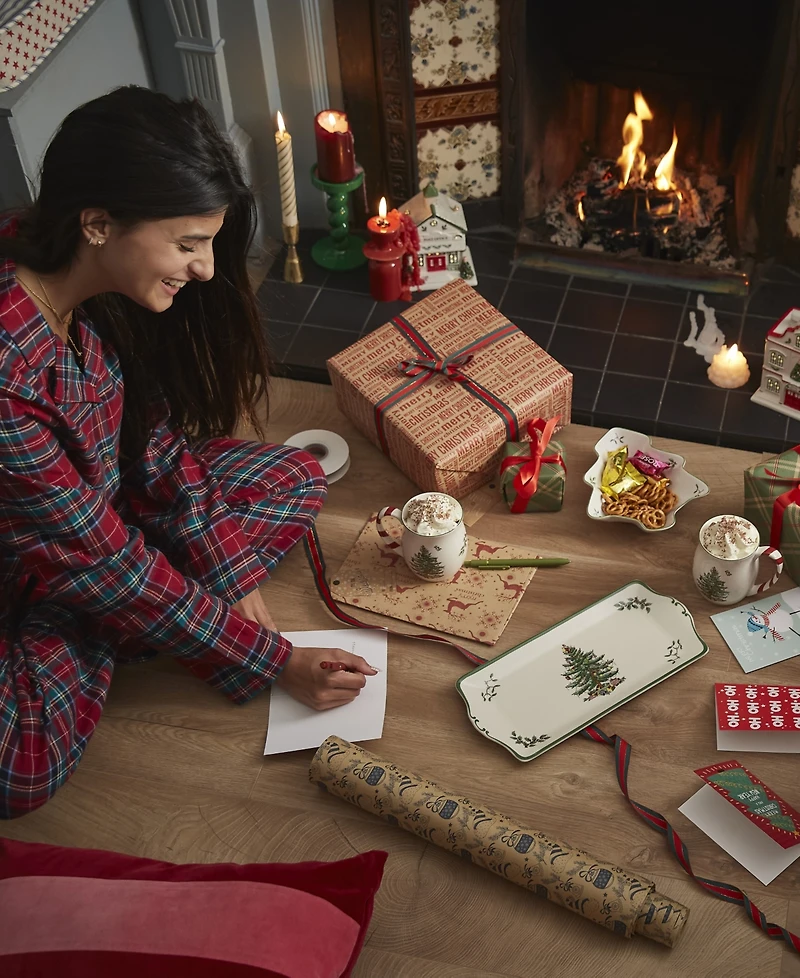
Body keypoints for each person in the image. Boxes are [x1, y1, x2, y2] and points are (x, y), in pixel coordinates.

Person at [0, 86, 376, 820]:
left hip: (101, 527)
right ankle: (119, 618)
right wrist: (267, 657)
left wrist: (230, 585)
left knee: (292, 477)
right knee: (24, 763)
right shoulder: (7, 373)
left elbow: (159, 447)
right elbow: (102, 559)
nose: (204, 269)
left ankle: (143, 613)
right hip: (35, 574)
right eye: (187, 243)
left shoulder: (84, 276)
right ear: (100, 222)